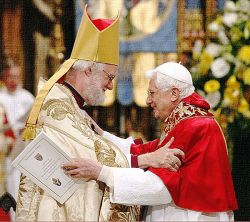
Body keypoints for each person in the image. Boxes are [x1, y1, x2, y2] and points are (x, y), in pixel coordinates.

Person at [15, 6, 182, 221]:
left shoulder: (71, 103)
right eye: (109, 77)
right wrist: (149, 158)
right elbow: (91, 157)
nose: (111, 86)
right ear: (89, 69)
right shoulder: (56, 104)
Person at [63, 62, 238, 221]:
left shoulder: (196, 125)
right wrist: (100, 134)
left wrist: (101, 172)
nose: (148, 100)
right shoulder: (186, 119)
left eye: (152, 93)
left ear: (174, 94)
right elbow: (143, 151)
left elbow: (160, 187)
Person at [0, 58, 34, 220]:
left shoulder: (27, 98)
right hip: (6, 153)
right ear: (4, 77)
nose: (13, 80)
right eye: (10, 76)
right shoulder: (1, 98)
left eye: (16, 76)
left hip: (24, 150)